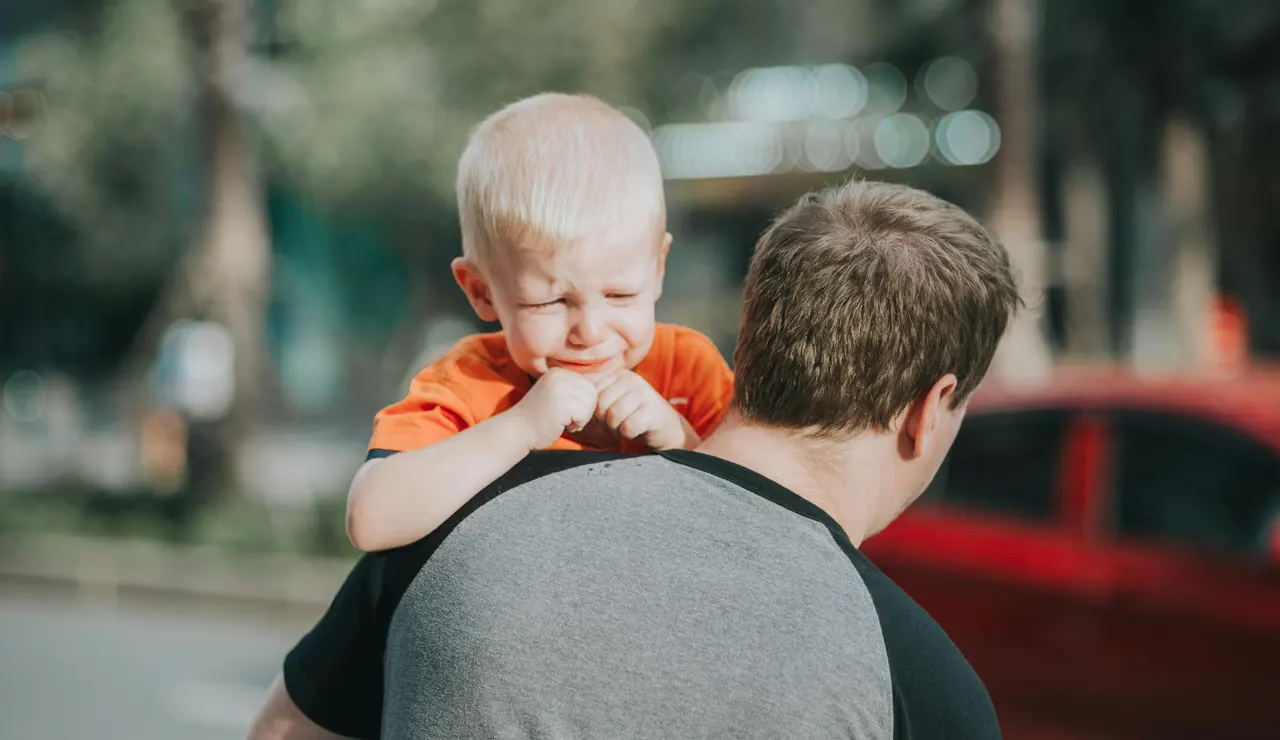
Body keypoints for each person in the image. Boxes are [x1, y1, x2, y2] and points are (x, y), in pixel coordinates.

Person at [248, 178, 1020, 740]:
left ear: (750, 339)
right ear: (928, 409)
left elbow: (282, 732)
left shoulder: (454, 523)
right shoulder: (925, 690)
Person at [345, 92, 734, 553]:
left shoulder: (688, 370)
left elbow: (763, 521)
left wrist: (680, 440)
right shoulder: (469, 384)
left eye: (620, 295)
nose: (590, 332)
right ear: (481, 291)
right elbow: (371, 521)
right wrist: (519, 428)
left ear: (658, 269)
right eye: (550, 302)